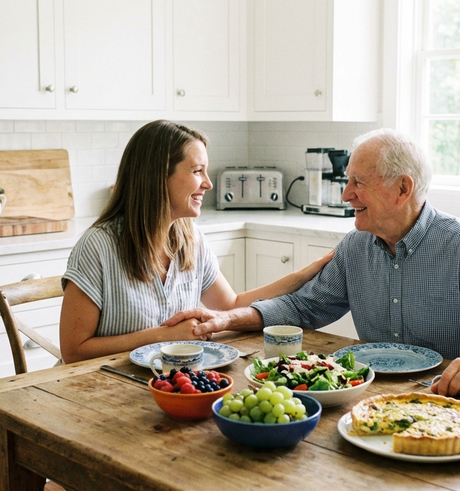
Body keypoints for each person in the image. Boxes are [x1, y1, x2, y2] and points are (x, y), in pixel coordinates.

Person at [164, 128, 460, 398]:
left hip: (447, 401)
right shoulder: (356, 246)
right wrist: (230, 319)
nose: (346, 194)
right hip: (367, 396)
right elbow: (303, 307)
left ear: (403, 189)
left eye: (358, 183)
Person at [59, 120, 332, 363]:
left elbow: (231, 306)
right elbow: (74, 351)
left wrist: (303, 274)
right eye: (197, 171)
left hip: (169, 382)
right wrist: (165, 336)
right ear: (157, 176)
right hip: (99, 388)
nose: (208, 184)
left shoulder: (191, 238)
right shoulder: (97, 246)